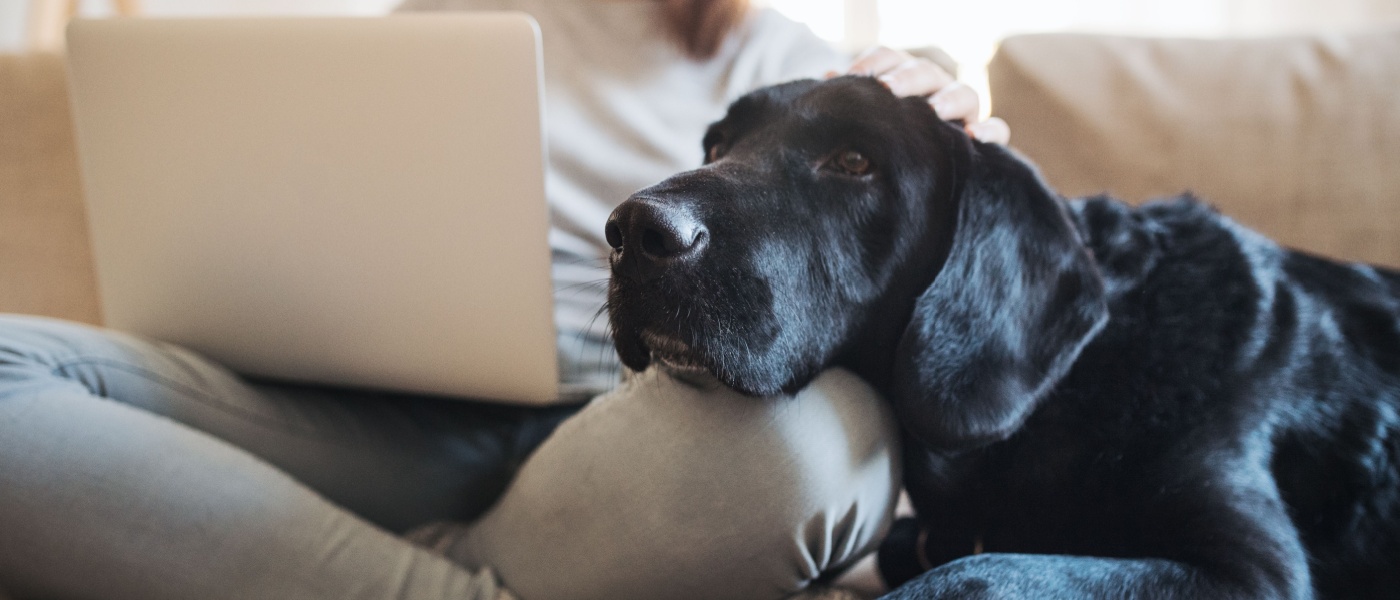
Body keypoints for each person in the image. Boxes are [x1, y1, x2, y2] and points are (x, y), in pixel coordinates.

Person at [0, 1, 1007, 599]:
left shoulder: (791, 62)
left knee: (814, 448)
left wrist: (955, 132)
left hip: (630, 433)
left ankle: (309, 556)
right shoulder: (419, 29)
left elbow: (963, 298)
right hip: (373, 414)